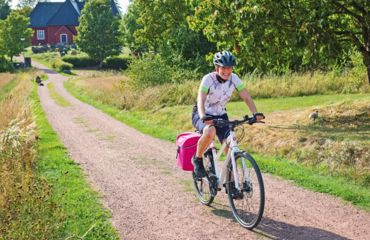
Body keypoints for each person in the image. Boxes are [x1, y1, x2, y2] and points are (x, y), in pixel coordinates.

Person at [191, 50, 265, 178]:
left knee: (230, 148)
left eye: (229, 68)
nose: (227, 71)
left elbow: (246, 97)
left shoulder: (234, 79)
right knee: (210, 131)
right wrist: (203, 116)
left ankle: (232, 185)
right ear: (217, 68)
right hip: (202, 113)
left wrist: (255, 113)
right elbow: (200, 100)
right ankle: (197, 159)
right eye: (223, 68)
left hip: (221, 114)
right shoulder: (208, 79)